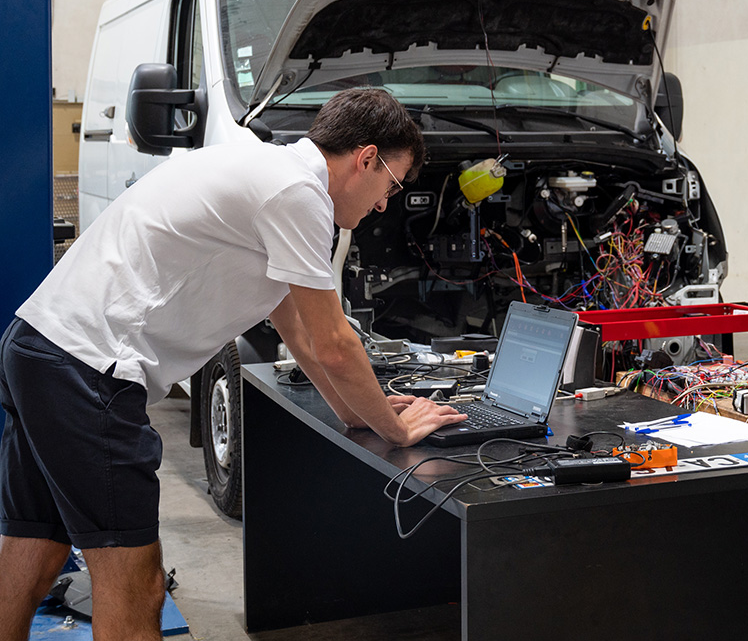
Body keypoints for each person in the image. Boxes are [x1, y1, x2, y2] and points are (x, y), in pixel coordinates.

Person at [0, 88, 466, 640]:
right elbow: (336, 343)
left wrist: (357, 415)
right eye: (391, 184)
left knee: (35, 540)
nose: (385, 204)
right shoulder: (299, 193)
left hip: (37, 346)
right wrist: (395, 426)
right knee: (136, 585)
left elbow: (299, 331)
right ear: (365, 158)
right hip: (90, 372)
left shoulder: (263, 166)